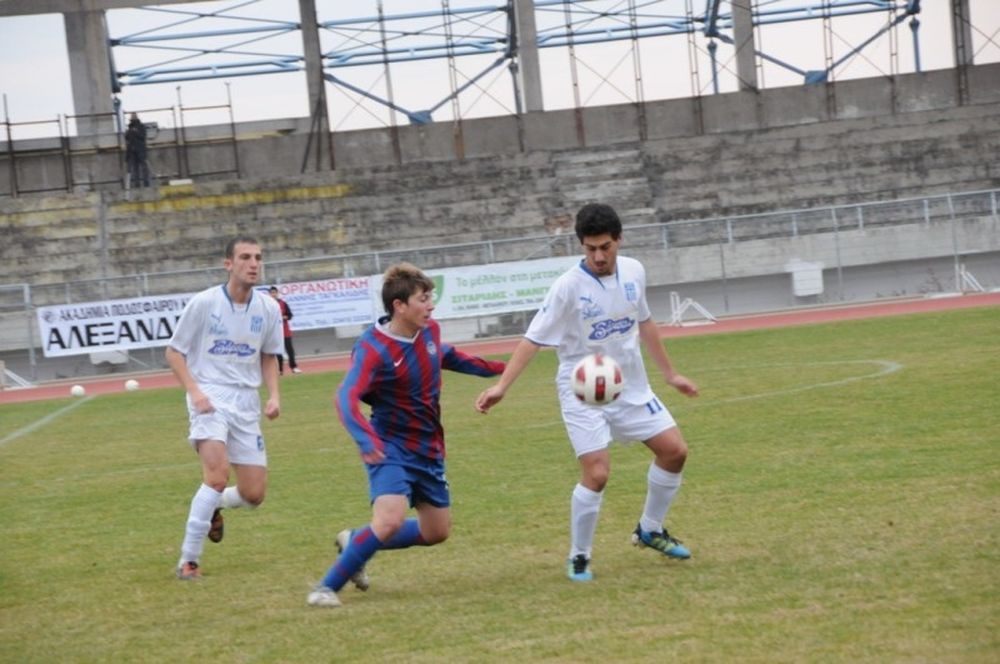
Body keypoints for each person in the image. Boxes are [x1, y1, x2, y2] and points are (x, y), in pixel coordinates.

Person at [475, 202, 700, 582]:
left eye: (605, 247)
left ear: (619, 241)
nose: (598, 256)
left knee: (675, 451)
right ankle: (579, 556)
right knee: (597, 474)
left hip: (628, 384)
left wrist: (670, 374)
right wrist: (502, 386)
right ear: (581, 246)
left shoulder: (634, 271)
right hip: (582, 389)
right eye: (590, 248)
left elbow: (644, 322)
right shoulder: (567, 287)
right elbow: (533, 339)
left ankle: (650, 529)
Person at [308, 262, 506, 608]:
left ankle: (355, 540)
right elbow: (345, 396)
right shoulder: (373, 349)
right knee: (390, 519)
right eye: (423, 298)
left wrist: (504, 371)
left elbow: (446, 356)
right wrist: (366, 440)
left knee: (436, 532)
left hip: (429, 448)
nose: (430, 305)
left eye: (430, 297)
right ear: (399, 306)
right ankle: (326, 587)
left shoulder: (430, 332)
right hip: (390, 447)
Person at [165, 235, 284, 580]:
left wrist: (274, 396)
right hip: (210, 396)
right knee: (216, 477)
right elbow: (174, 352)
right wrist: (195, 392)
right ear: (228, 264)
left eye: (258, 257)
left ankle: (215, 505)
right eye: (245, 257)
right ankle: (189, 560)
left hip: (246, 401)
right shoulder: (204, 303)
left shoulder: (268, 308)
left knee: (253, 494)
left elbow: (268, 355)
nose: (254, 264)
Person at [268, 286, 301, 374]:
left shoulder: (283, 303)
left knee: (290, 350)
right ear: (269, 294)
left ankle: (294, 367)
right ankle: (280, 369)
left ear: (277, 293)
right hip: (275, 332)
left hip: (285, 331)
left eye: (274, 292)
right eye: (271, 293)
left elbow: (290, 315)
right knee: (278, 352)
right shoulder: (267, 305)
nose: (273, 294)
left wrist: (283, 317)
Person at [124, 113, 150, 188]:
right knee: (135, 169)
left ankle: (146, 183)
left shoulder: (141, 127)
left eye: (133, 119)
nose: (132, 121)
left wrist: (136, 132)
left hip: (140, 150)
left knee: (144, 167)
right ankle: (137, 184)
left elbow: (143, 137)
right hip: (132, 151)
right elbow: (127, 138)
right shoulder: (129, 128)